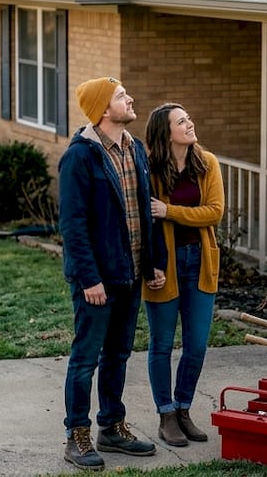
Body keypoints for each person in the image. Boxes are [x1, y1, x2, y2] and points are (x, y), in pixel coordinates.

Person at [58, 76, 167, 472]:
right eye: (122, 96)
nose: (130, 99)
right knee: (86, 359)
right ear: (104, 109)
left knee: (118, 354)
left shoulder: (134, 148)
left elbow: (144, 208)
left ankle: (111, 426)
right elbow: (72, 225)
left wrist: (155, 261)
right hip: (97, 281)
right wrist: (89, 279)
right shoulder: (80, 157)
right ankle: (77, 434)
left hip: (131, 273)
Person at [142, 102, 225, 447]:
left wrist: (169, 211)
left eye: (189, 118)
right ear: (166, 132)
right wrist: (149, 267)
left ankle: (184, 408)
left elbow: (214, 212)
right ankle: (166, 414)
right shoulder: (149, 169)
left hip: (200, 263)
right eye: (181, 121)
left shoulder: (207, 164)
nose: (190, 124)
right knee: (161, 344)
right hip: (164, 264)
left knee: (196, 345)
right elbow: (145, 221)